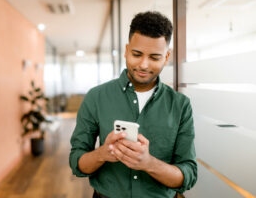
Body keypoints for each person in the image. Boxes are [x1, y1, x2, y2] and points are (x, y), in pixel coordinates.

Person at [69, 11, 197, 198]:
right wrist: (103, 153)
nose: (144, 65)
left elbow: (188, 175)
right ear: (127, 50)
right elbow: (76, 162)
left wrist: (149, 163)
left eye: (154, 57)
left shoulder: (180, 105)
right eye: (137, 54)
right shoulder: (96, 97)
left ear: (167, 56)